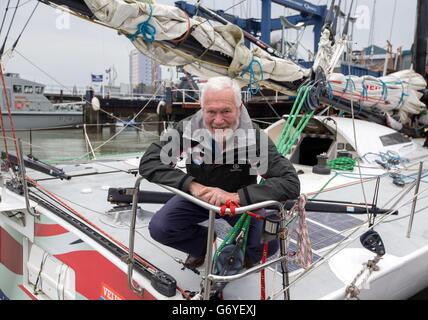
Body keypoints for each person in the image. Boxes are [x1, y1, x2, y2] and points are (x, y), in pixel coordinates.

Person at [139, 76, 300, 269]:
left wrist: (236, 196)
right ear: (202, 108)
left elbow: (290, 182)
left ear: (239, 108)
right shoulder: (188, 130)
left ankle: (239, 254)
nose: (218, 120)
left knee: (268, 242)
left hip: (238, 202)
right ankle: (201, 245)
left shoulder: (253, 138)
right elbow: (149, 161)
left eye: (226, 111)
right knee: (161, 228)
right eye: (211, 112)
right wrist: (192, 186)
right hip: (198, 197)